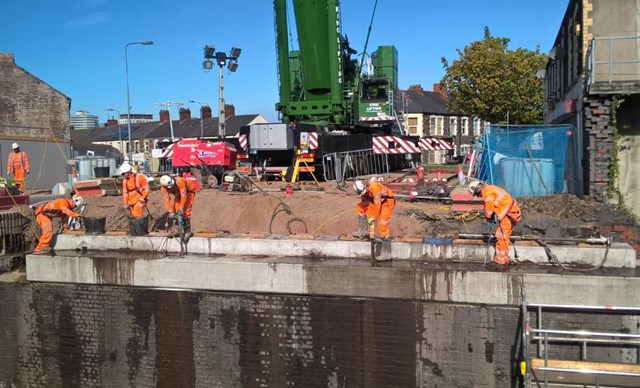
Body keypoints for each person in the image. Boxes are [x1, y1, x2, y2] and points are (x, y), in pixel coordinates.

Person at [468, 180, 522, 268]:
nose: (479, 196)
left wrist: (488, 217)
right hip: (509, 212)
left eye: (477, 194)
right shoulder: (490, 189)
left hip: (507, 213)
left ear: (477, 189)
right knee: (504, 236)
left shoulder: (487, 192)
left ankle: (500, 262)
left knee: (501, 236)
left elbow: (489, 206)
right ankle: (503, 259)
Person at [159, 174, 196, 242]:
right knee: (176, 210)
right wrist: (171, 211)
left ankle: (187, 231)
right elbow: (167, 200)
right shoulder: (163, 188)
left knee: (185, 211)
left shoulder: (180, 181)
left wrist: (181, 208)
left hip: (189, 191)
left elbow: (184, 196)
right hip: (178, 193)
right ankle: (179, 229)